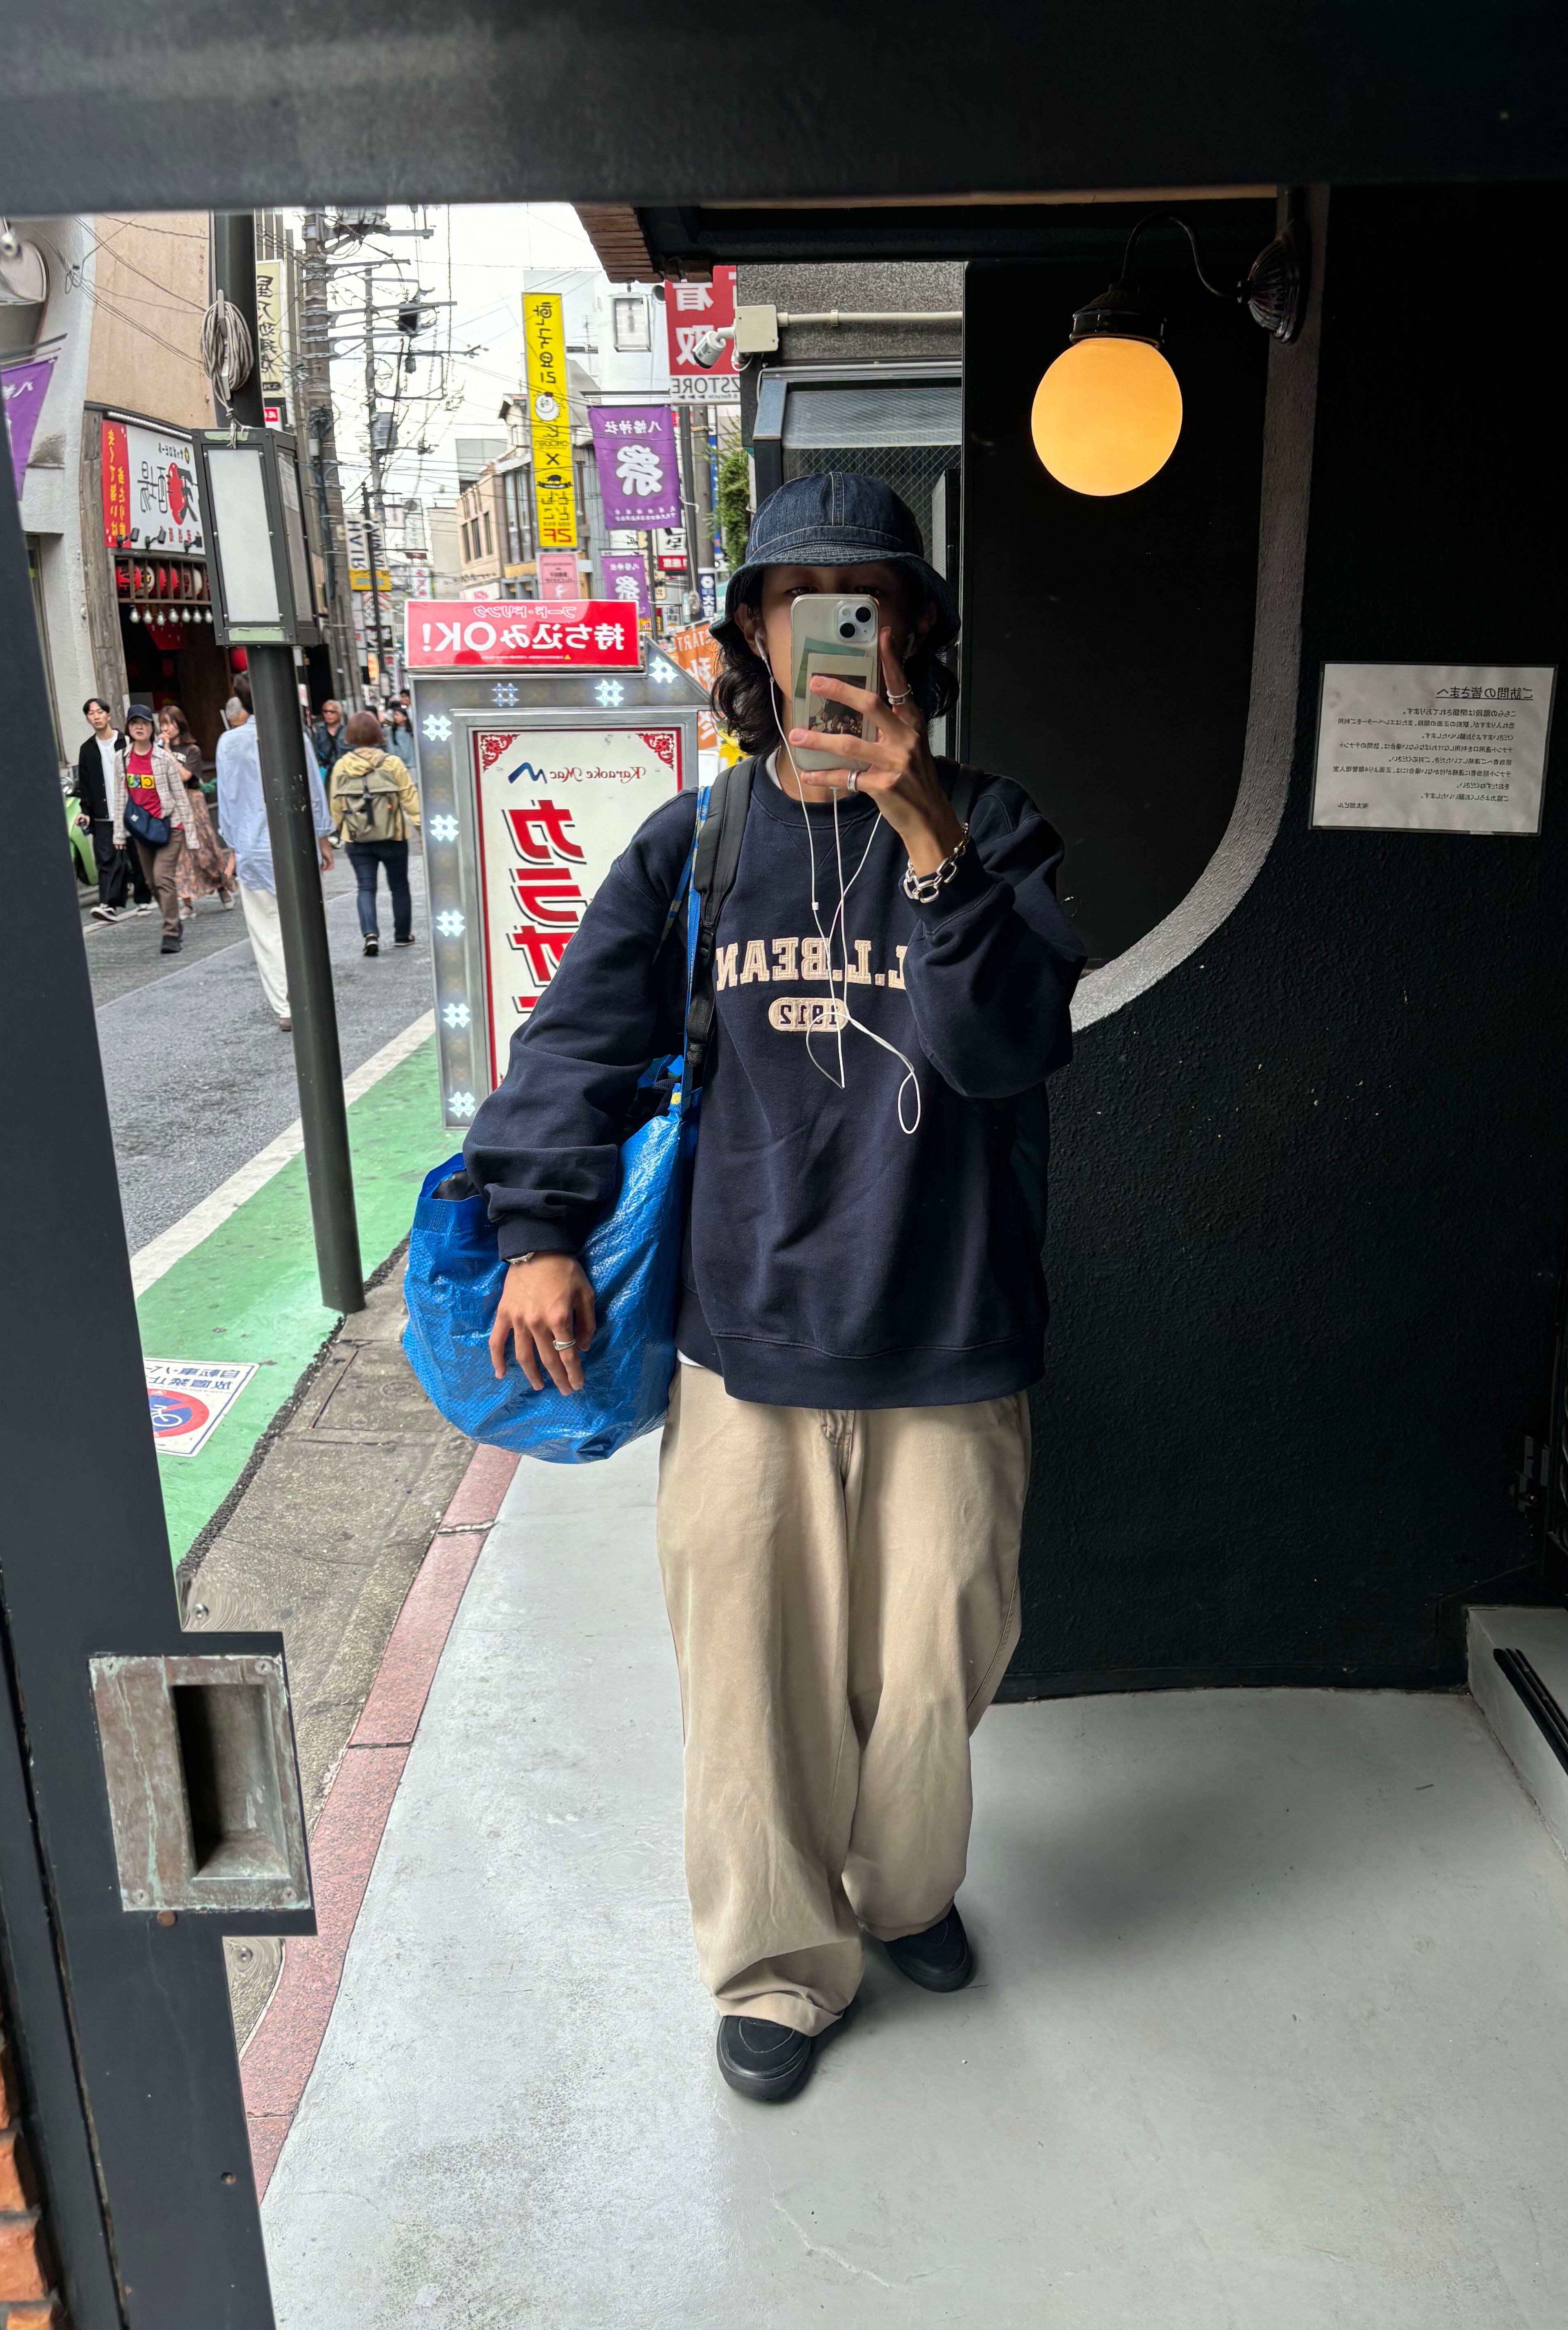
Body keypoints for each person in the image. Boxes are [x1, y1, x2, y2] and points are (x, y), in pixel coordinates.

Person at [465, 473, 1085, 2104]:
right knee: (751, 1675)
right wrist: (539, 1230)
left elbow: (1007, 1049)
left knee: (939, 1663)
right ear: (754, 634)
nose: (832, 632)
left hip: (950, 1332)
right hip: (745, 1337)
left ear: (915, 630)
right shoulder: (699, 842)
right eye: (798, 602)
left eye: (862, 601)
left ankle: (904, 1891)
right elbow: (576, 1047)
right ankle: (778, 1963)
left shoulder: (997, 825)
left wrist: (925, 830)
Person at [215, 681, 336, 1030]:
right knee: (307, 923)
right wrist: (323, 838)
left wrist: (233, 847)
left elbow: (227, 801)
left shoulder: (228, 742)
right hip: (296, 844)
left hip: (252, 848)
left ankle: (285, 1006)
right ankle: (311, 995)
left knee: (267, 931)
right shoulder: (294, 736)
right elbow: (313, 791)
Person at [328, 709, 421, 955]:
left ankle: (371, 935)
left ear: (350, 736)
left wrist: (336, 830)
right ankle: (402, 935)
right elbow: (410, 799)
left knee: (366, 887)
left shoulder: (342, 766)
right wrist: (421, 828)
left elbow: (336, 804)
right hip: (393, 836)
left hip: (357, 838)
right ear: (378, 734)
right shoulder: (392, 763)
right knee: (399, 885)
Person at [117, 704, 196, 955]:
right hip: (142, 830)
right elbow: (120, 797)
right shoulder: (122, 759)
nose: (139, 727)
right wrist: (119, 834)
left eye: (144, 723)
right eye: (134, 723)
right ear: (129, 728)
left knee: (163, 877)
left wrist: (191, 834)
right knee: (152, 883)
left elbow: (180, 796)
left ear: (152, 728)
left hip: (170, 825)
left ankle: (170, 932)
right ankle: (174, 921)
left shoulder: (164, 759)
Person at [157, 704, 237, 915]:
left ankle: (222, 886)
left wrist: (167, 752)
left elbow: (185, 776)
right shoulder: (158, 752)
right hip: (171, 803)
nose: (166, 728)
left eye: (170, 723)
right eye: (163, 724)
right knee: (178, 854)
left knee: (205, 850)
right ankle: (187, 903)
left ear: (180, 724)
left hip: (192, 802)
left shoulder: (192, 751)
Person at [77, 696, 133, 922]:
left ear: (108, 716)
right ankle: (107, 904)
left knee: (135, 857)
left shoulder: (125, 742)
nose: (96, 717)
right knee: (106, 860)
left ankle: (143, 898)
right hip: (103, 815)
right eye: (91, 714)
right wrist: (86, 812)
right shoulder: (87, 749)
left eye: (99, 712)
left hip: (130, 811)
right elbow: (85, 785)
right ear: (88, 720)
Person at [312, 698, 347, 786]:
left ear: (339, 714)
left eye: (332, 712)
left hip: (345, 773)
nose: (328, 715)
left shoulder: (347, 732)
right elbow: (315, 753)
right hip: (326, 775)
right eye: (325, 712)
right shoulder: (319, 732)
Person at [385, 699, 416, 776]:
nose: (395, 717)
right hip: (398, 766)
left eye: (397, 715)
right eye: (394, 715)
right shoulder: (391, 731)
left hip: (412, 765)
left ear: (405, 718)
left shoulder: (412, 731)